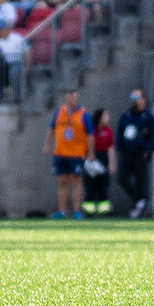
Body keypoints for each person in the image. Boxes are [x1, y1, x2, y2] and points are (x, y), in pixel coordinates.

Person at [45, 88, 90, 219]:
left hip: (76, 153)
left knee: (76, 181)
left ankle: (77, 211)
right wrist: (47, 144)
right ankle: (62, 211)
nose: (72, 101)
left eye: (74, 98)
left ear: (77, 99)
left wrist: (89, 151)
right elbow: (52, 128)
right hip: (60, 152)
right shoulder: (59, 111)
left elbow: (90, 134)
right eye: (69, 98)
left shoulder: (84, 114)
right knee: (62, 181)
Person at [117, 88, 154, 218]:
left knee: (140, 182)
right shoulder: (126, 116)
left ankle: (141, 206)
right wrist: (121, 149)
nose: (134, 101)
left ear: (143, 100)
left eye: (137, 98)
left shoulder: (149, 118)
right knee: (122, 178)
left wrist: (148, 150)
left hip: (141, 154)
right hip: (127, 153)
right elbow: (119, 134)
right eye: (132, 98)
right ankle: (140, 201)